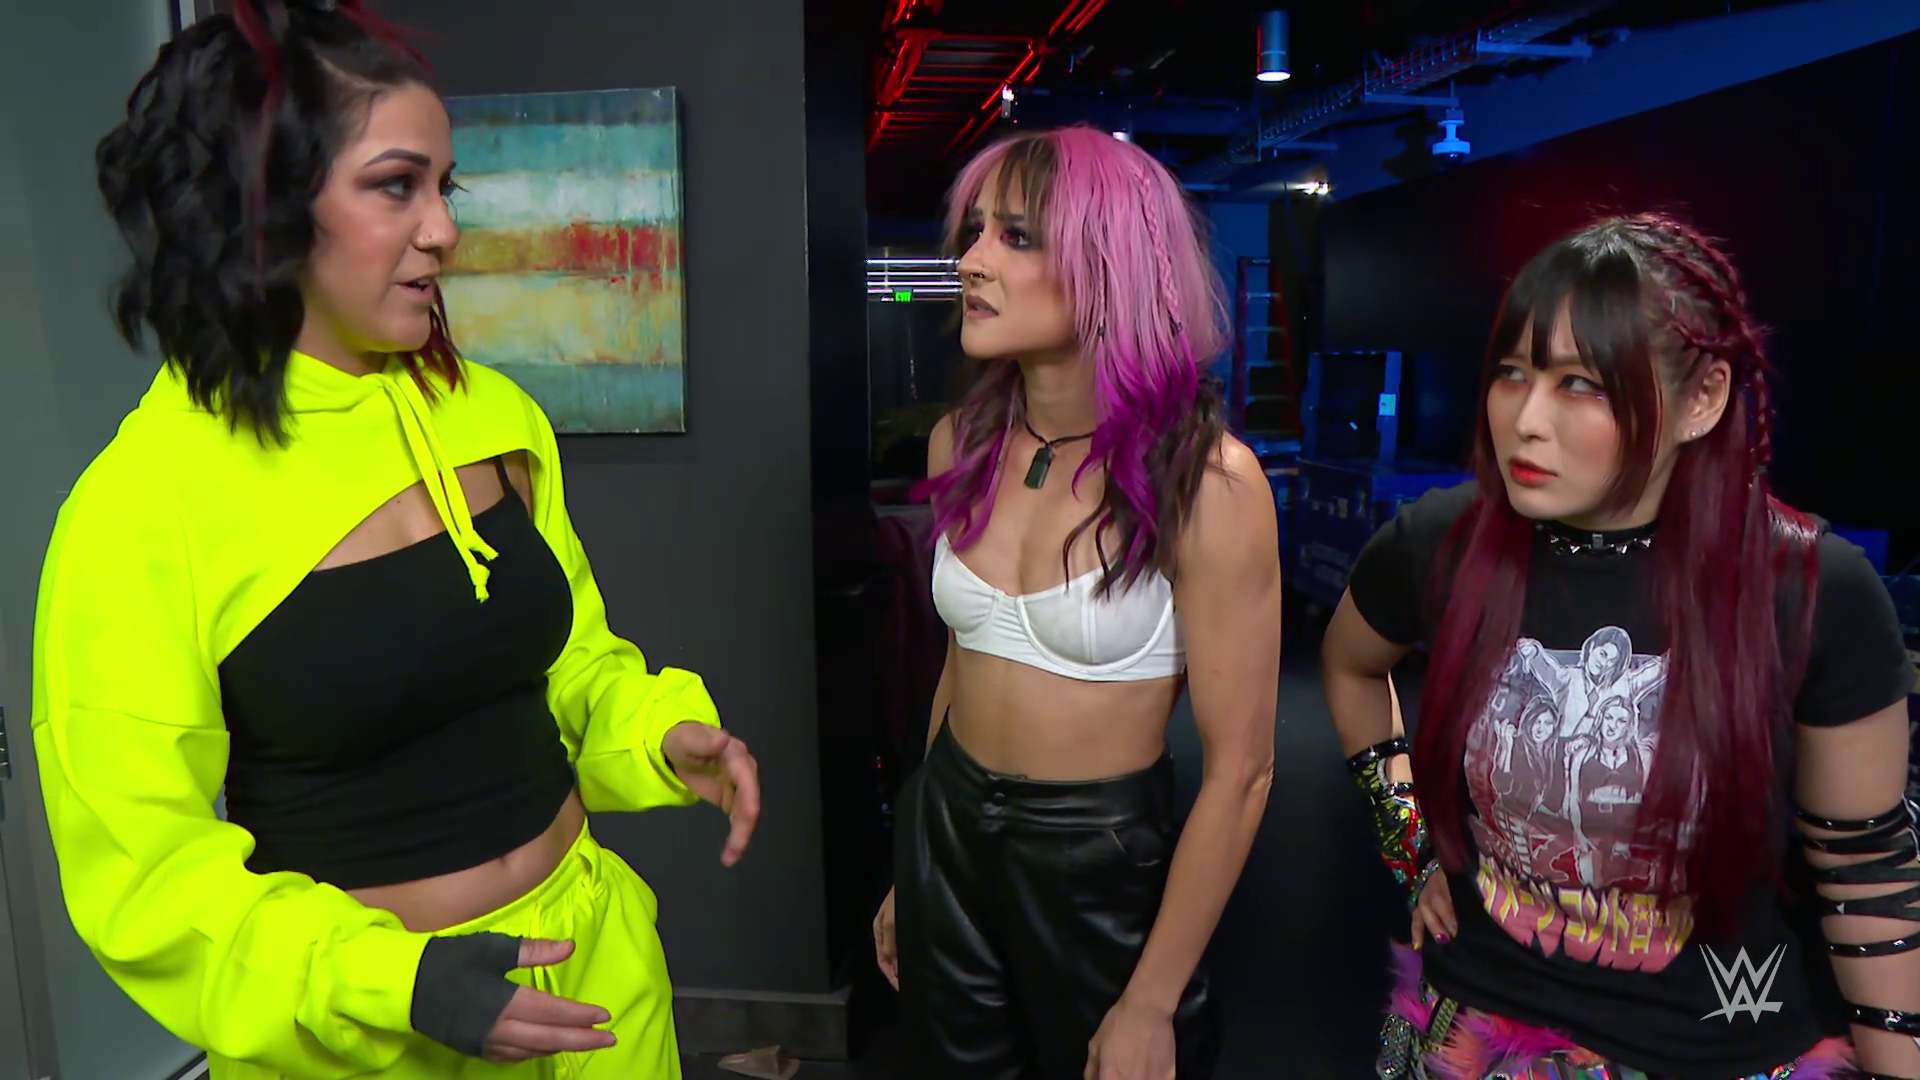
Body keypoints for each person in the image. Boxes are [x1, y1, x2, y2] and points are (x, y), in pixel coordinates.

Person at [31, 2, 761, 1077]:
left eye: (443, 187)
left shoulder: (491, 414)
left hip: (598, 988)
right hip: (372, 1039)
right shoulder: (145, 503)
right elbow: (146, 873)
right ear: (265, 208)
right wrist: (396, 982)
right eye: (394, 185)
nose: (444, 230)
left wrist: (659, 733)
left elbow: (569, 665)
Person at [1322, 213, 1920, 1080]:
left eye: (1582, 385)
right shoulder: (1441, 545)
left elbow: (1866, 870)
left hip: (1720, 1047)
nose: (1526, 420)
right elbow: (1349, 664)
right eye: (1513, 374)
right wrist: (1409, 843)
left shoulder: (1810, 589)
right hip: (1480, 1038)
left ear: (1702, 399)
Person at [870, 126, 1284, 1080]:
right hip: (946, 830)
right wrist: (912, 872)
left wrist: (1150, 1001)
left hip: (1096, 860)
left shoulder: (1208, 483)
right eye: (975, 232)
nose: (971, 261)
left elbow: (1243, 771)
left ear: (1110, 268)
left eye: (1015, 237)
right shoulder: (960, 443)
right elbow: (961, 668)